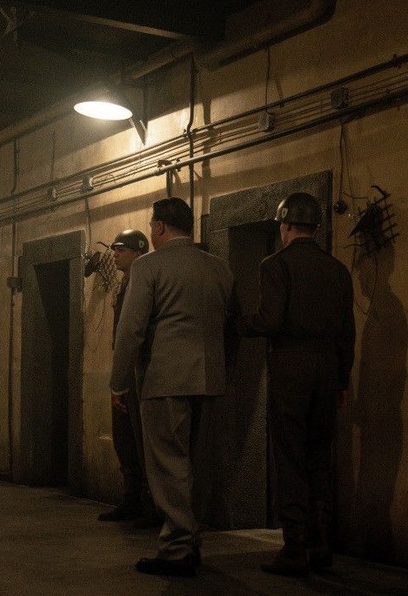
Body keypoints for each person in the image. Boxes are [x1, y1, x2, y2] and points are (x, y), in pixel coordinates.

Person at [110, 198, 235, 578]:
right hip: (210, 380)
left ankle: (177, 548)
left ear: (160, 227)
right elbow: (230, 326)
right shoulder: (219, 268)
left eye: (152, 226)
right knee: (199, 465)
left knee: (168, 464)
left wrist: (118, 383)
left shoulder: (148, 266)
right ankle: (192, 541)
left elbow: (131, 330)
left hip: (165, 379)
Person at [240, 192, 355, 577]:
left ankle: (294, 547)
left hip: (291, 366)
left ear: (286, 225)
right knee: (319, 455)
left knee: (289, 455)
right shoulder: (337, 270)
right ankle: (321, 543)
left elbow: (270, 320)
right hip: (327, 368)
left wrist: (240, 324)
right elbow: (347, 331)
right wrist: (341, 379)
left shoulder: (275, 265)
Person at [99, 229, 159, 528]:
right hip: (125, 370)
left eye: (121, 250)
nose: (115, 255)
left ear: (138, 252)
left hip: (140, 371)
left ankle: (150, 505)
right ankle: (131, 498)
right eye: (114, 249)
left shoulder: (145, 282)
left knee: (141, 436)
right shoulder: (123, 285)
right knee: (124, 437)